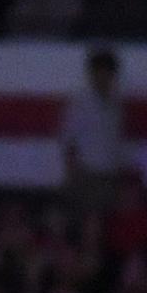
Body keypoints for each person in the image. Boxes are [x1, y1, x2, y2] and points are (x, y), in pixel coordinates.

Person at [61, 44, 130, 209]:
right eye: (99, 72)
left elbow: (116, 138)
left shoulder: (116, 104)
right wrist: (72, 173)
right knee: (91, 219)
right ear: (92, 74)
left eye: (107, 72)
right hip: (87, 172)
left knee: (105, 218)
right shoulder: (80, 103)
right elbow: (68, 139)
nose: (103, 77)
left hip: (111, 171)